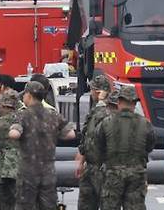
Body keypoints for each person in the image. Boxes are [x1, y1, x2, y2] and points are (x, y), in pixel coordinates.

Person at [9, 82, 75, 209]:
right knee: (48, 205)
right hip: (48, 172)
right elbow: (71, 134)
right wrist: (53, 134)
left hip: (28, 172)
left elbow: (14, 134)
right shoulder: (53, 114)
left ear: (28, 95)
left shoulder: (23, 115)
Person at [96, 86, 155, 210]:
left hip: (112, 174)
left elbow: (99, 145)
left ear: (118, 102)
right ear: (134, 103)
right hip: (136, 174)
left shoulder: (106, 122)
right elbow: (149, 146)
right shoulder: (145, 123)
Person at [75, 75, 111, 210]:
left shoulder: (108, 110)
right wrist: (81, 160)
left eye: (92, 90)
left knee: (106, 203)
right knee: (85, 204)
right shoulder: (95, 110)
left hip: (103, 167)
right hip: (89, 166)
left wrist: (102, 102)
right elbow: (88, 136)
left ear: (98, 91)